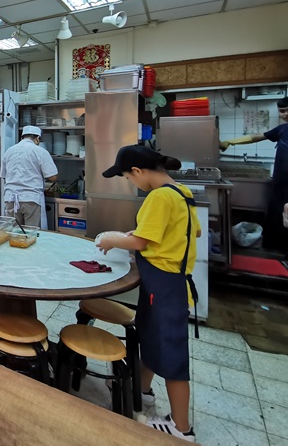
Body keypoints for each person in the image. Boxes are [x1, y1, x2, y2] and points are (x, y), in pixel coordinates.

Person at [97, 145, 199, 443]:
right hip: (171, 283)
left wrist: (112, 238)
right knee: (150, 339)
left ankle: (182, 428)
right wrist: (134, 238)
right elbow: (189, 232)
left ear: (139, 172)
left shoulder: (159, 196)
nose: (131, 182)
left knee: (172, 356)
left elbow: (142, 242)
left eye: (129, 177)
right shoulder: (181, 192)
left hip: (165, 287)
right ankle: (141, 392)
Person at [220, 97, 288, 253]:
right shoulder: (283, 129)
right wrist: (231, 142)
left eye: (285, 110)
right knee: (277, 217)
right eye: (281, 111)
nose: (284, 114)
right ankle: (277, 250)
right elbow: (255, 137)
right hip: (280, 183)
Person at [0, 125, 58, 229]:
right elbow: (53, 177)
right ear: (37, 138)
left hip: (11, 199)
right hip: (31, 199)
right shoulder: (40, 151)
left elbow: (3, 176)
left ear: (22, 137)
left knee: (13, 233)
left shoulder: (9, 151)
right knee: (31, 233)